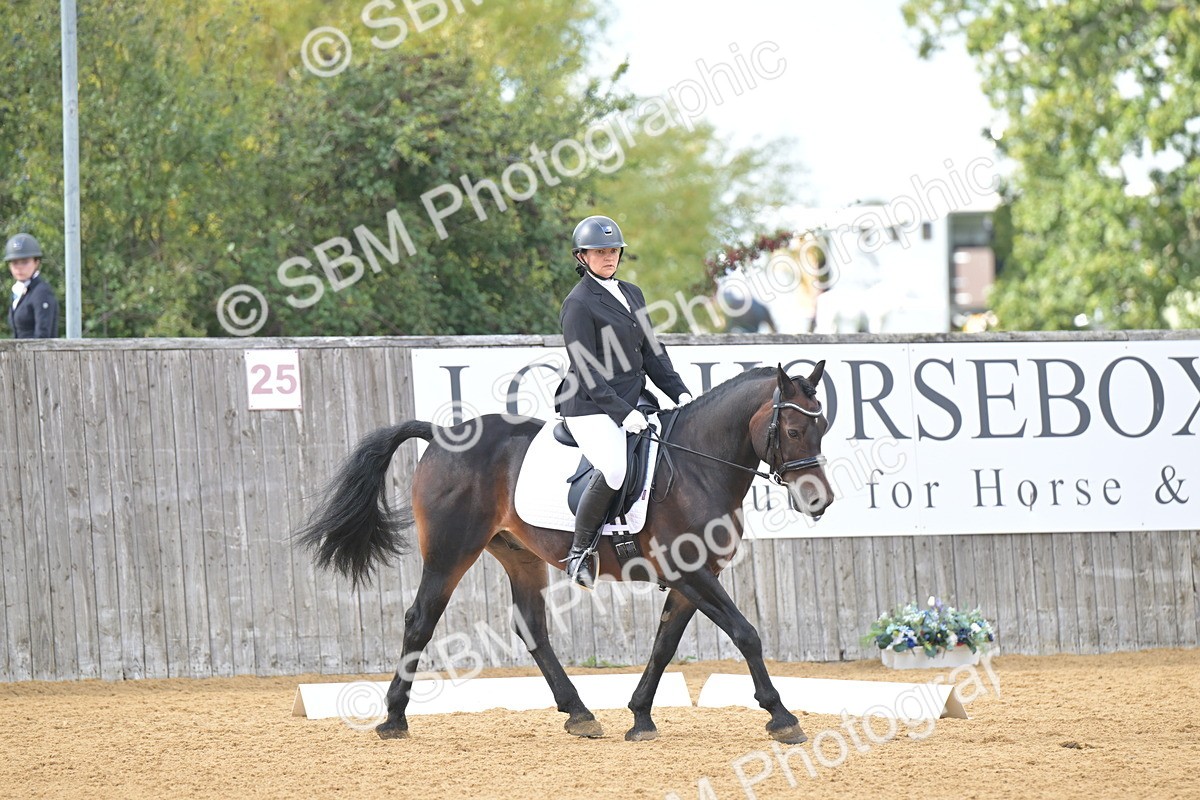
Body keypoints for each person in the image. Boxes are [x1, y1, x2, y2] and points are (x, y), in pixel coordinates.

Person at [554, 215, 692, 588]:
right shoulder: (578, 304)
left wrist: (679, 392)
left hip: (633, 399)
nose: (608, 257)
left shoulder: (632, 293)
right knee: (615, 469)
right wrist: (622, 412)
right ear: (582, 257)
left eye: (613, 250)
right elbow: (587, 371)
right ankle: (580, 553)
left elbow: (652, 352)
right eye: (600, 252)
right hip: (589, 405)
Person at [6, 234, 59, 339]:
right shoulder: (18, 291)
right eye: (15, 263)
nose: (19, 268)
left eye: (25, 262)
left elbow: (43, 335)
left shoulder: (41, 291)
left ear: (36, 263)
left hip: (38, 349)